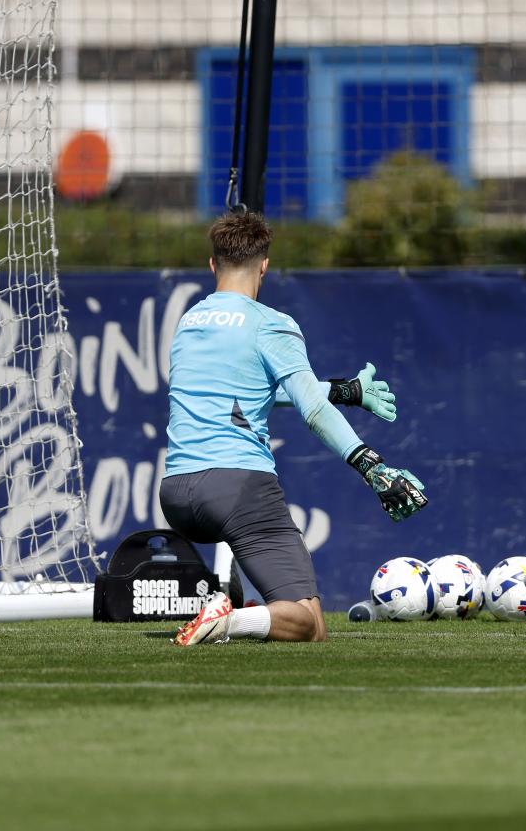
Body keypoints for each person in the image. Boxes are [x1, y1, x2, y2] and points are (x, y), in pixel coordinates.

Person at [162, 209, 427, 645]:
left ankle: (235, 610)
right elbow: (311, 409)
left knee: (304, 618)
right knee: (310, 627)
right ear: (265, 265)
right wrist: (373, 466)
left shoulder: (188, 324)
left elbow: (251, 389)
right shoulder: (271, 323)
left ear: (213, 264)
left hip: (177, 494)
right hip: (236, 489)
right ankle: (227, 620)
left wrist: (345, 391)